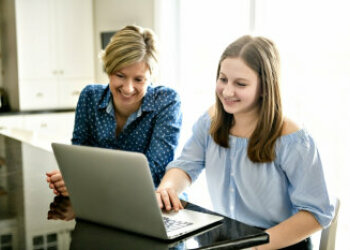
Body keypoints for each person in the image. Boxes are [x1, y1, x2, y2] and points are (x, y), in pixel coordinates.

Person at [156, 35, 334, 249]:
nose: (227, 91)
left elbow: (316, 214)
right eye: (223, 79)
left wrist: (255, 247)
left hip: (277, 243)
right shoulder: (210, 121)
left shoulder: (293, 140)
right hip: (229, 239)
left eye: (240, 84)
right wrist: (168, 187)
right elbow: (186, 165)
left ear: (265, 87)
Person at [46, 25, 182, 196]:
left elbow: (153, 170)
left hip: (148, 200)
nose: (128, 88)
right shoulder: (90, 97)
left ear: (151, 77)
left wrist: (82, 180)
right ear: (109, 69)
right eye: (120, 76)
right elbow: (78, 157)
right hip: (100, 197)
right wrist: (70, 179)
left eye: (139, 79)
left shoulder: (166, 101)